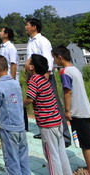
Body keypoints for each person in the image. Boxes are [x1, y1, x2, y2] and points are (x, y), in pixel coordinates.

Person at [52, 46, 90, 175]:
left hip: (77, 112)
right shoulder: (75, 70)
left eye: (55, 58)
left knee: (85, 143)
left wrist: (67, 110)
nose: (55, 61)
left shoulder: (65, 72)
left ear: (60, 57)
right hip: (85, 109)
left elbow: (68, 92)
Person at [24, 18, 71, 147]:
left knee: (54, 104)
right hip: (35, 78)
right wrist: (29, 77)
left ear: (34, 27)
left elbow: (48, 62)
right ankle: (43, 130)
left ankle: (65, 136)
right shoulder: (30, 41)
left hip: (45, 77)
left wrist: (44, 79)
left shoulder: (42, 41)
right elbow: (30, 61)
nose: (25, 27)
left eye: (27, 25)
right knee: (39, 105)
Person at [24, 54, 72, 175]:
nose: (25, 62)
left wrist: (19, 106)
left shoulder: (34, 80)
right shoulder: (43, 80)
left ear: (31, 67)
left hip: (47, 125)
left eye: (28, 60)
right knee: (60, 151)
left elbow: (30, 99)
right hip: (57, 122)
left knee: (51, 156)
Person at [0, 55, 30, 175]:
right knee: (23, 158)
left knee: (11, 160)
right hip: (20, 126)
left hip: (7, 128)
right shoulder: (16, 83)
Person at [0, 26, 29, 131]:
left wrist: (12, 80)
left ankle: (24, 125)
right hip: (4, 79)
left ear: (6, 34)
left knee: (17, 102)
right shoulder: (2, 47)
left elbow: (13, 64)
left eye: (1, 31)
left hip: (11, 79)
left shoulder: (11, 48)